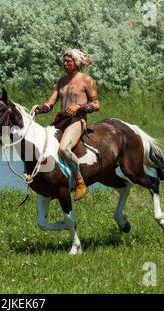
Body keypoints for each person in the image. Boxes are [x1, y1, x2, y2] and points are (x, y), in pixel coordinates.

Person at [35, 49, 100, 200]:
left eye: (68, 62)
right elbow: (50, 103)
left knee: (64, 148)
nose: (65, 64)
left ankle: (79, 181)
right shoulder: (61, 81)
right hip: (60, 120)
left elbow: (96, 105)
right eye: (64, 62)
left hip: (77, 121)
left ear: (76, 63)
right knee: (43, 146)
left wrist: (79, 107)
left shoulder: (87, 80)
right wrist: (40, 108)